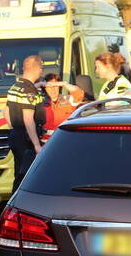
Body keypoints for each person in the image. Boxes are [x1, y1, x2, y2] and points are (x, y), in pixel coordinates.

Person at [6, 55, 46, 190]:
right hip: (26, 139)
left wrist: (15, 129)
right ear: (36, 68)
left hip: (16, 135)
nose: (42, 71)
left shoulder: (15, 86)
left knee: (19, 173)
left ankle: (15, 205)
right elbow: (28, 119)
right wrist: (36, 145)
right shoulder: (30, 91)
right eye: (42, 67)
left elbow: (5, 112)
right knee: (27, 177)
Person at [41, 73, 85, 140]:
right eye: (49, 87)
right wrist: (40, 84)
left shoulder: (68, 101)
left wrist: (64, 84)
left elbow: (78, 93)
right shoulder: (40, 103)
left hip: (65, 140)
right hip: (46, 144)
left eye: (55, 86)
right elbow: (28, 94)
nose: (53, 90)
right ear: (45, 89)